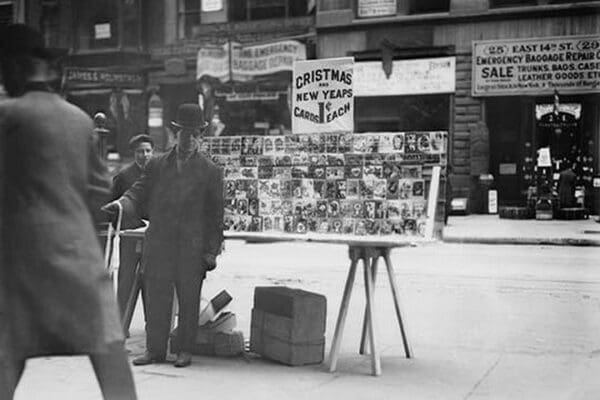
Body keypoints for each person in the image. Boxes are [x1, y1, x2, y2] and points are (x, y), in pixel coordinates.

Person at [0, 24, 137, 399]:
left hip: (18, 268)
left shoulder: (7, 115)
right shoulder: (79, 120)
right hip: (78, 262)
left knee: (7, 356)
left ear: (13, 68)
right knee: (111, 363)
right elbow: (98, 191)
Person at [103, 103, 224, 368]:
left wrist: (210, 252)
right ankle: (154, 350)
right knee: (157, 298)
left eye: (194, 134)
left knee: (189, 301)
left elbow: (216, 218)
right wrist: (121, 204)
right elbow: (137, 192)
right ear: (175, 134)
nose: (189, 139)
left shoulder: (211, 171)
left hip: (191, 249)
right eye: (184, 133)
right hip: (159, 244)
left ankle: (184, 350)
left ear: (201, 136)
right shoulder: (157, 165)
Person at [112, 134, 154, 330]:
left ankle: (150, 323)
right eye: (139, 151)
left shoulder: (158, 172)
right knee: (126, 278)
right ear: (133, 154)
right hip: (130, 234)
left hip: (153, 234)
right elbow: (114, 206)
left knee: (150, 279)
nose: (144, 155)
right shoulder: (123, 176)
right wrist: (126, 225)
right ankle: (120, 325)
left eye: (147, 151)